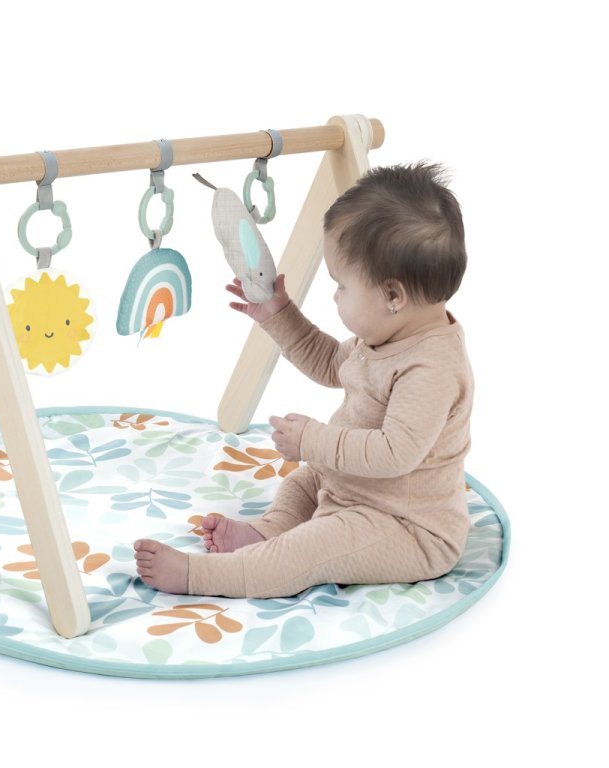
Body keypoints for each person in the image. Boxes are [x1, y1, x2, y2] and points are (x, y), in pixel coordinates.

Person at [134, 163, 473, 597]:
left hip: (406, 526)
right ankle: (266, 532)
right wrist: (280, 315)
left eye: (341, 286)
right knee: (304, 483)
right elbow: (331, 363)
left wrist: (313, 440)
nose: (334, 295)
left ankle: (197, 576)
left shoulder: (431, 367)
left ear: (392, 296)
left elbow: (395, 453)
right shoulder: (388, 334)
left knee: (311, 547)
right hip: (351, 486)